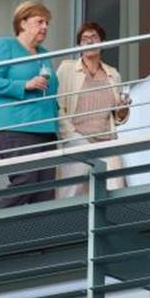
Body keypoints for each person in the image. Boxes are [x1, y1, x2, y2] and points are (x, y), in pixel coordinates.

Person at [0, 0, 60, 207]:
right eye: (40, 21)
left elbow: (52, 92)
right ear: (23, 23)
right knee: (25, 181)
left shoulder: (45, 53)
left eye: (47, 23)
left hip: (45, 129)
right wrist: (25, 84)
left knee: (44, 193)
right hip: (16, 127)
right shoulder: (6, 45)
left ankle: (36, 239)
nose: (45, 27)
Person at [54, 22, 130, 199]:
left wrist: (122, 110)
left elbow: (118, 117)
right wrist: (72, 136)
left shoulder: (113, 74)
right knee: (71, 194)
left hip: (106, 141)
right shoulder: (67, 69)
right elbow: (58, 106)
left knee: (115, 189)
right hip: (77, 140)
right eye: (84, 39)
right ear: (79, 45)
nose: (89, 42)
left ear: (102, 42)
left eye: (93, 37)